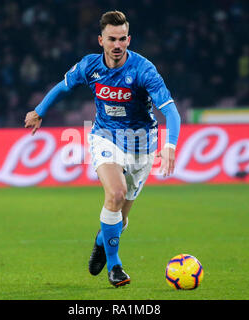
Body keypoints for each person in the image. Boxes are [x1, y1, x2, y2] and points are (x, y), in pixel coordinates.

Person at [24, 11, 181, 287]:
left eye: (122, 39)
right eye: (112, 39)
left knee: (119, 219)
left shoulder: (144, 70)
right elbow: (63, 87)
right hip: (105, 137)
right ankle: (115, 266)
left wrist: (170, 145)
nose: (117, 44)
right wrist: (39, 111)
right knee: (116, 193)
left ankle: (101, 241)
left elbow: (171, 111)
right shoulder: (89, 66)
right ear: (101, 40)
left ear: (129, 39)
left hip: (142, 146)